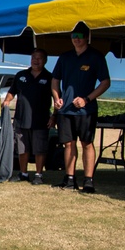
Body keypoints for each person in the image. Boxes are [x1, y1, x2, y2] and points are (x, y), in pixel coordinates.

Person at [50, 25, 111, 193]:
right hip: (65, 110)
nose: (76, 39)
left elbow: (105, 82)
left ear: (87, 38)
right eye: (73, 35)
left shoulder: (96, 56)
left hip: (86, 111)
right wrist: (57, 99)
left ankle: (88, 181)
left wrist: (87, 99)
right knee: (68, 144)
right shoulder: (65, 57)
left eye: (80, 36)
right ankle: (70, 179)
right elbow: (55, 80)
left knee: (87, 143)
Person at [1, 48, 53, 185]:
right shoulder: (20, 75)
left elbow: (58, 98)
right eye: (34, 57)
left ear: (45, 61)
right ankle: (23, 174)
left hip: (41, 120)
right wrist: (7, 100)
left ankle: (38, 175)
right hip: (21, 119)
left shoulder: (50, 77)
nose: (36, 60)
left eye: (39, 58)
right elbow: (12, 92)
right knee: (22, 148)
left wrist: (55, 116)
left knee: (39, 149)